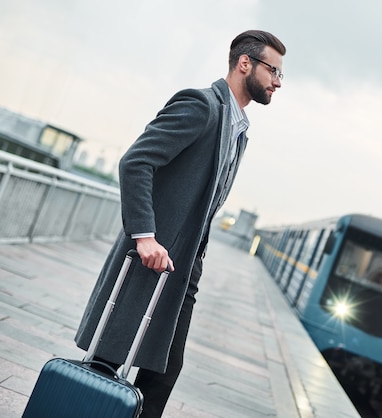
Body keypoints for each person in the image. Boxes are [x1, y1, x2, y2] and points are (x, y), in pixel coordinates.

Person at [74, 30, 286, 417]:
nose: (277, 82)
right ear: (245, 64)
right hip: (151, 261)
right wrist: (145, 237)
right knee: (108, 362)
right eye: (273, 71)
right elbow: (136, 162)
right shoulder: (201, 105)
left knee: (162, 371)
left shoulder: (238, 133)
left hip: (184, 271)